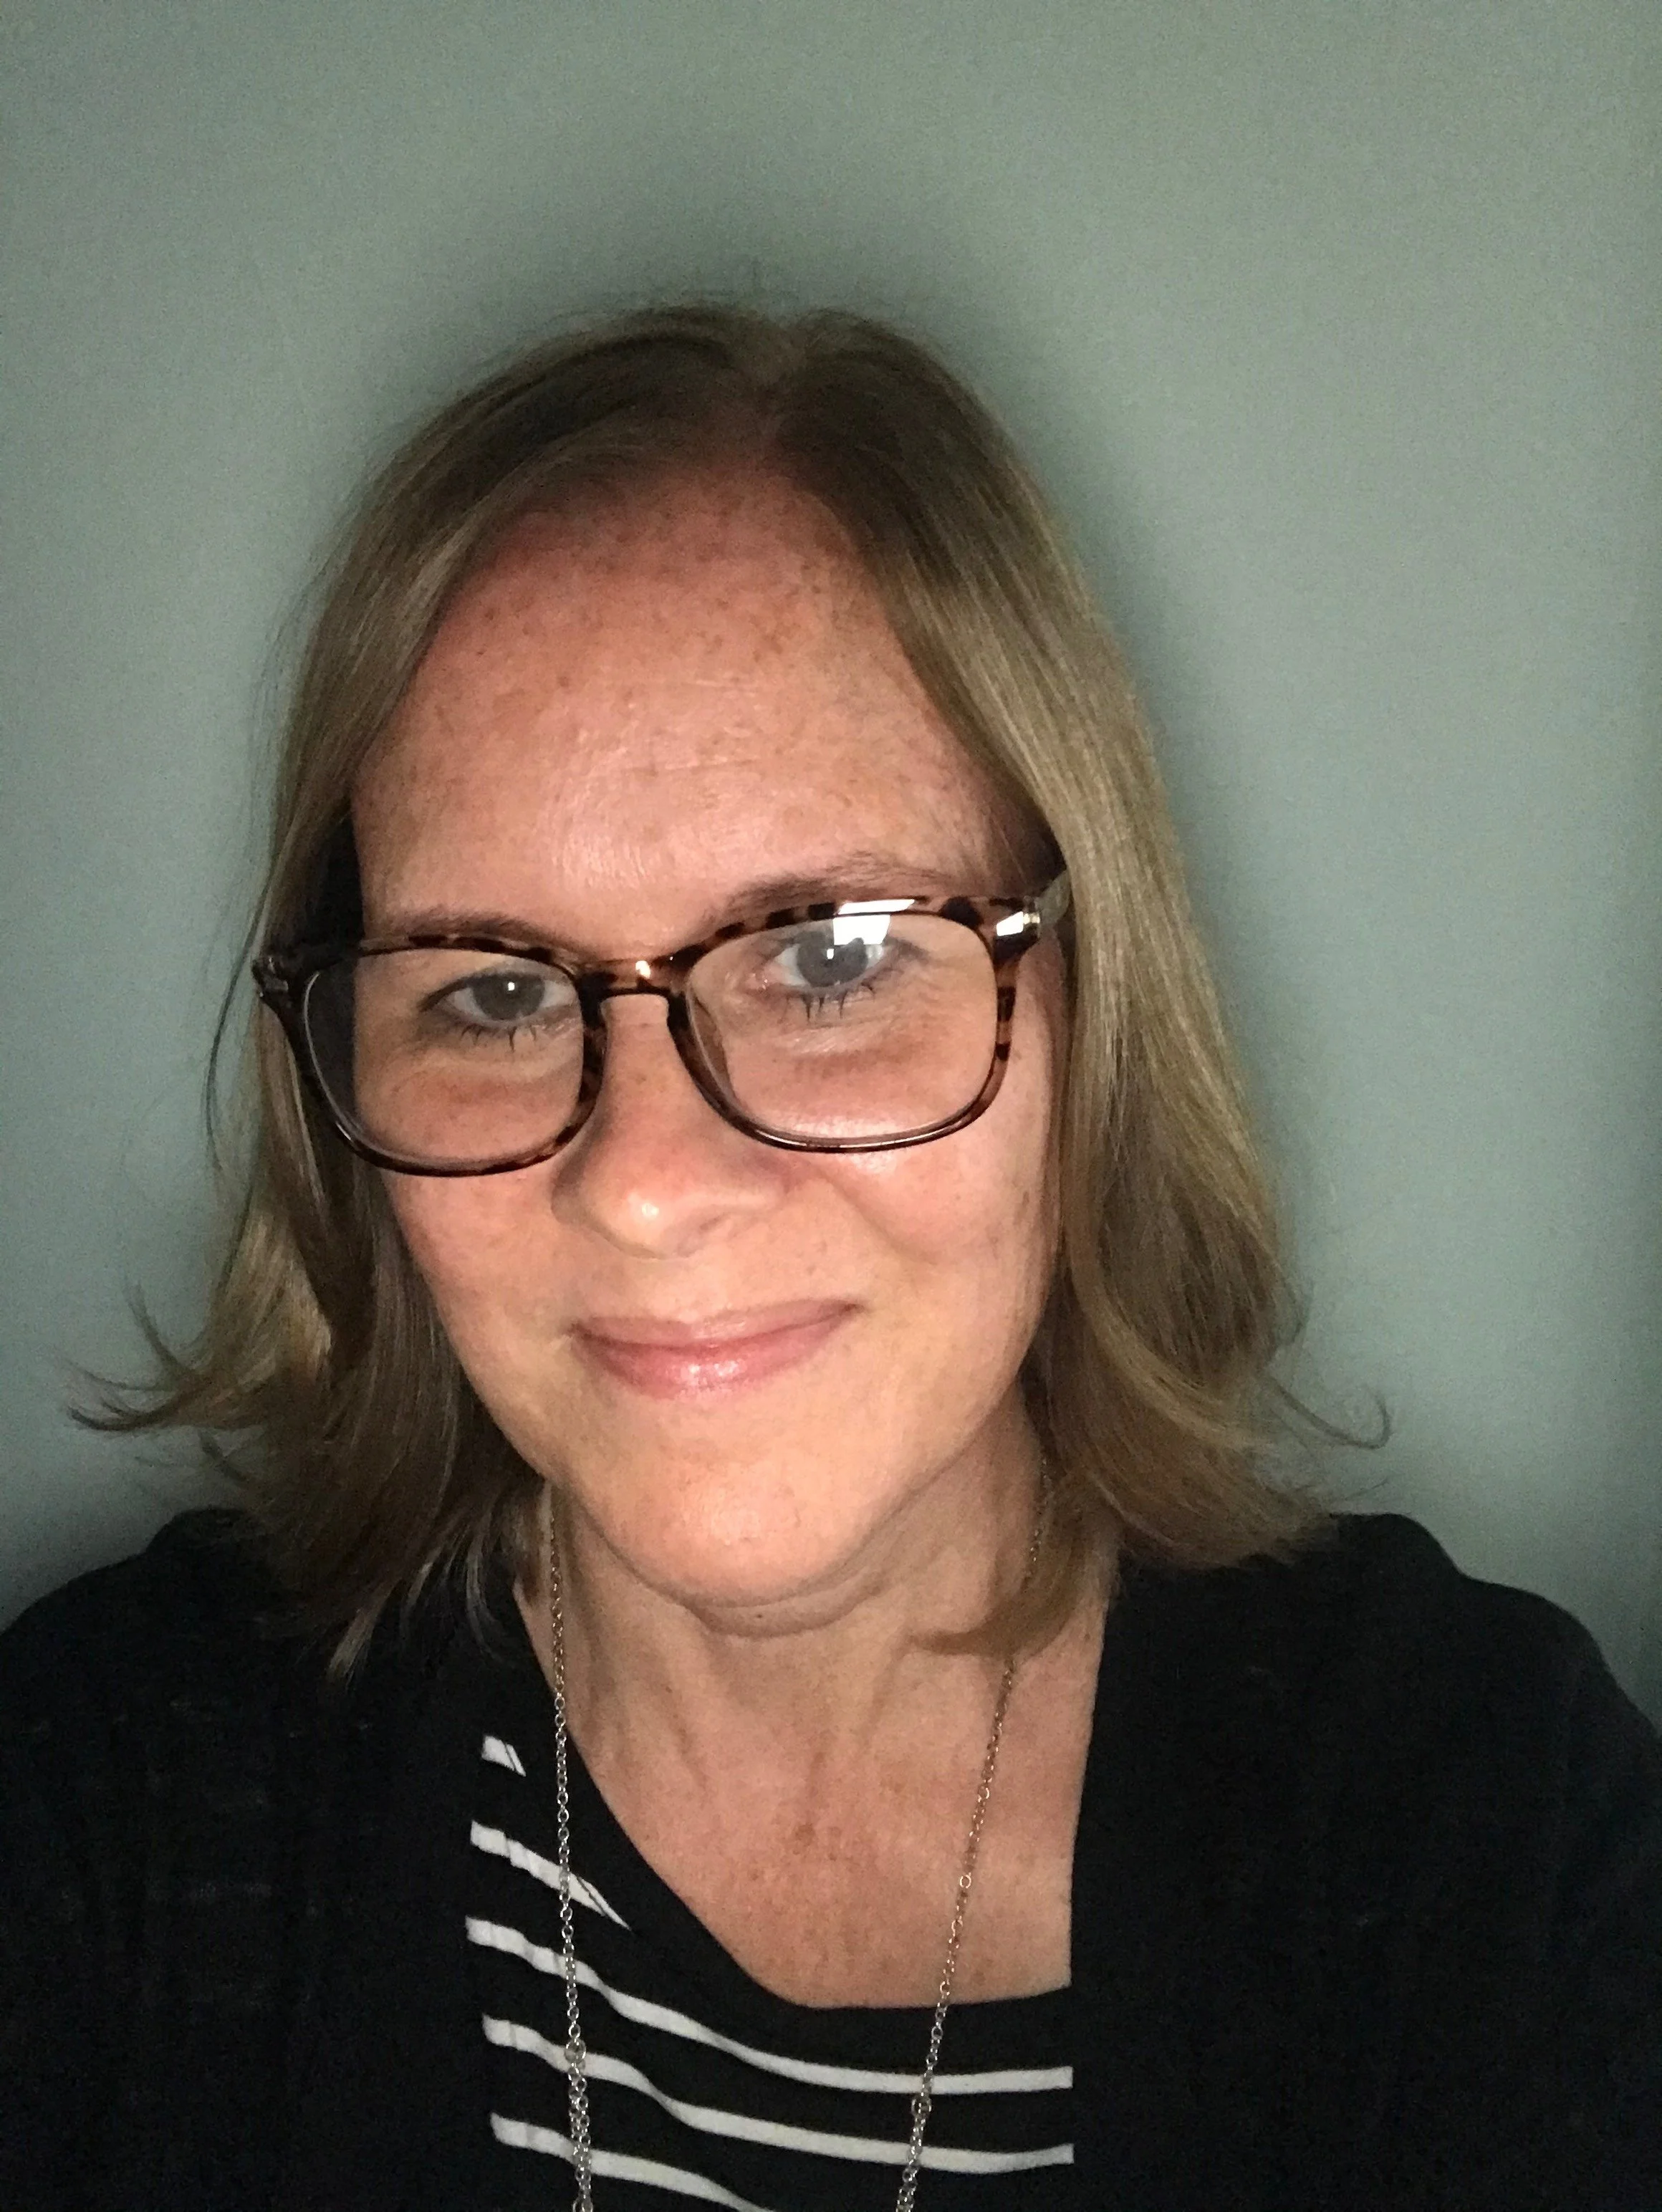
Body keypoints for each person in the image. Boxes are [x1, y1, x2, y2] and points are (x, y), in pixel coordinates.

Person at [1, 304, 1658, 2212]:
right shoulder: (117, 1795)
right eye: (497, 989)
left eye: (834, 960)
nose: (642, 1181)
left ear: (1087, 1000)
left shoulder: (1477, 1833)